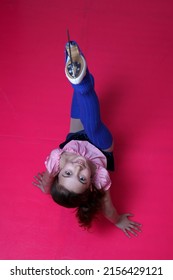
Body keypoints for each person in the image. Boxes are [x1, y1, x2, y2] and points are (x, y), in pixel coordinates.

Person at [33, 40, 141, 238]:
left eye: (67, 173)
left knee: (78, 99)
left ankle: (76, 66)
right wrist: (118, 221)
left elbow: (48, 179)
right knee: (93, 124)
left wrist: (46, 188)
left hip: (75, 139)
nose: (78, 168)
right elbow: (107, 206)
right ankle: (80, 82)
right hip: (101, 146)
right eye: (82, 178)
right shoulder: (100, 180)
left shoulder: (58, 159)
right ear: (91, 185)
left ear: (59, 171)